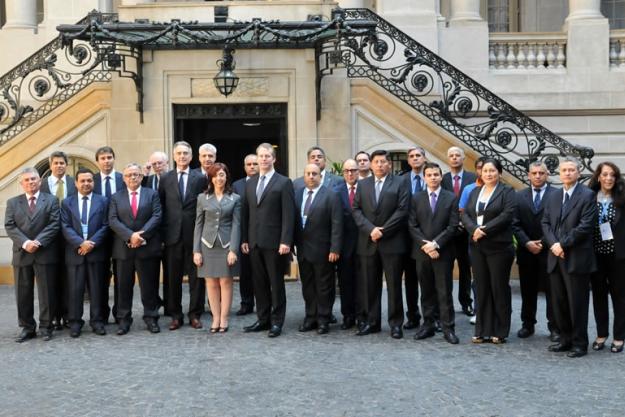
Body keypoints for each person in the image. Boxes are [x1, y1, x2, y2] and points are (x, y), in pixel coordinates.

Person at [542, 157, 597, 358]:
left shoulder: (588, 195)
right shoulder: (554, 196)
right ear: (559, 173)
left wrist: (561, 244)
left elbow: (585, 226)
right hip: (555, 258)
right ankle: (564, 339)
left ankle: (580, 343)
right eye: (564, 170)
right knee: (559, 302)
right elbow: (546, 223)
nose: (567, 173)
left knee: (577, 303)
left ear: (578, 172)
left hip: (576, 257)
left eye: (571, 170)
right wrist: (554, 245)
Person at [352, 149, 409, 339]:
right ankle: (372, 322)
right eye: (376, 161)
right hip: (368, 242)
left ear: (389, 164)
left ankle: (395, 324)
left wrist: (382, 231)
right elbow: (356, 210)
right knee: (370, 285)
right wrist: (371, 230)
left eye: (383, 161)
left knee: (393, 285)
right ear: (370, 164)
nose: (379, 165)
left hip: (392, 242)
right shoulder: (363, 184)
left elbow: (402, 210)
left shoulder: (400, 183)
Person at [241, 142, 295, 338]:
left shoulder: (283, 182)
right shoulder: (250, 183)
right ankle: (263, 319)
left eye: (267, 156)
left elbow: (289, 215)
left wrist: (286, 241)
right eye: (260, 156)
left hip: (275, 243)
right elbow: (246, 213)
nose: (263, 160)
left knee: (276, 283)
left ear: (274, 159)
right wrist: (245, 238)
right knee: (259, 284)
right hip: (254, 242)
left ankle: (277, 321)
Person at [461, 158, 516, 344]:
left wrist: (483, 230)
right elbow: (465, 214)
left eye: (492, 171)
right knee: (482, 287)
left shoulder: (507, 191)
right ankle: (482, 329)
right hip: (477, 247)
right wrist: (473, 230)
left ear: (499, 173)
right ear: (480, 173)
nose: (489, 174)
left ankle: (500, 330)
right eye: (485, 171)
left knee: (498, 288)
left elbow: (507, 215)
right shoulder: (475, 191)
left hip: (499, 247)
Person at [5, 167, 61, 342]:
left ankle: (46, 326)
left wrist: (38, 241)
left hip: (44, 252)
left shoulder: (51, 200)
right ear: (21, 183)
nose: (31, 182)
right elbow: (10, 225)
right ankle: (27, 327)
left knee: (47, 292)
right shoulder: (13, 202)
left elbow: (54, 223)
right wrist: (26, 242)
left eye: (34, 179)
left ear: (39, 181)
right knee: (23, 293)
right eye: (27, 180)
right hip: (22, 253)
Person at [409, 162, 460, 344]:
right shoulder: (416, 198)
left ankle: (448, 328)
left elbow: (453, 226)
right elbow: (412, 225)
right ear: (424, 177)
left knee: (444, 291)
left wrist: (436, 244)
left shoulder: (451, 198)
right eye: (429, 175)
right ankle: (428, 325)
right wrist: (427, 246)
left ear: (441, 176)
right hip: (422, 253)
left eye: (436, 174)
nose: (433, 178)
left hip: (443, 253)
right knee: (426, 291)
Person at [109, 163, 162, 335]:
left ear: (141, 177)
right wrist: (130, 236)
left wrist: (140, 236)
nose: (133, 177)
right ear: (123, 178)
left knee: (149, 286)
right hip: (124, 250)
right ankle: (124, 320)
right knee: (123, 287)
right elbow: (113, 220)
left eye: (136, 175)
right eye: (129, 175)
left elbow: (157, 216)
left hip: (146, 248)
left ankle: (151, 317)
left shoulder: (152, 194)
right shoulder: (116, 197)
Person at [159, 141, 207, 330]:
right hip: (172, 236)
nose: (182, 156)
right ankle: (176, 315)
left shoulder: (200, 178)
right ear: (173, 155)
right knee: (173, 278)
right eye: (179, 153)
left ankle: (195, 314)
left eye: (186, 153)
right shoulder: (165, 178)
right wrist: (162, 236)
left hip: (194, 236)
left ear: (191, 156)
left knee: (197, 279)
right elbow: (160, 207)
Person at [511, 161, 559, 341]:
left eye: (541, 173)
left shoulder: (557, 195)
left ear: (547, 175)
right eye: (534, 173)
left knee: (552, 291)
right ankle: (527, 324)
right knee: (527, 290)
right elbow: (514, 224)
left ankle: (554, 327)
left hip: (549, 250)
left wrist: (543, 242)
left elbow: (557, 223)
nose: (538, 176)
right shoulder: (518, 196)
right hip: (526, 251)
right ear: (529, 175)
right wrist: (527, 243)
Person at [60, 168, 110, 337]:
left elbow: (106, 225)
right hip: (75, 253)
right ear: (76, 183)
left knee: (97, 289)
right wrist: (80, 243)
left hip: (96, 252)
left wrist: (91, 243)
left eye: (89, 180)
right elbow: (65, 226)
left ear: (93, 182)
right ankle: (75, 322)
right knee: (75, 290)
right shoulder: (67, 203)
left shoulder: (103, 201)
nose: (86, 183)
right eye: (82, 181)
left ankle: (97, 321)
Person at [295, 164, 343, 334]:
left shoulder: (331, 196)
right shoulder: (298, 194)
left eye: (314, 174)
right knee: (307, 287)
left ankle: (323, 319)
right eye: (308, 173)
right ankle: (310, 317)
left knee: (324, 287)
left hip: (324, 251)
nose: (311, 176)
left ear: (320, 176)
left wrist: (335, 248)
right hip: (303, 250)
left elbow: (337, 224)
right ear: (304, 175)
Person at [193, 162, 241, 333]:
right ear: (211, 178)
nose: (219, 178)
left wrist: (233, 250)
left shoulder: (235, 198)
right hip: (207, 245)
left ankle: (224, 318)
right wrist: (196, 250)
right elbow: (198, 225)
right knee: (211, 282)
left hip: (226, 245)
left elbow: (237, 226)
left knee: (226, 282)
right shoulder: (202, 198)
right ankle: (215, 317)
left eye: (222, 174)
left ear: (226, 176)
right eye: (215, 175)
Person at [588, 162, 625, 353]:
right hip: (595, 256)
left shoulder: (622, 198)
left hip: (618, 257)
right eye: (605, 174)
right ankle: (601, 334)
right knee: (599, 297)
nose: (608, 178)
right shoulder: (589, 197)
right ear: (598, 177)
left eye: (612, 175)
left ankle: (619, 337)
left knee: (619, 298)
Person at [40, 151, 77, 330]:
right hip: (49, 240)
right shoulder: (42, 185)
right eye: (56, 163)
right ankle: (53, 316)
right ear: (50, 165)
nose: (59, 166)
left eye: (62, 163)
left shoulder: (73, 183)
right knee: (50, 279)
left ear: (66, 164)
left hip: (69, 238)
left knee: (69, 278)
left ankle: (68, 315)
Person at [442, 146, 477, 317]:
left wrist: (465, 223)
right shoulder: (442, 179)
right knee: (446, 269)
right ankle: (447, 305)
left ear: (463, 158)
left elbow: (475, 202)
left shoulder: (473, 178)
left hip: (467, 233)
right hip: (449, 233)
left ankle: (466, 302)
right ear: (448, 159)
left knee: (465, 269)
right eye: (451, 155)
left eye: (457, 155)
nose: (454, 158)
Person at [92, 146, 126, 324]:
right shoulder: (92, 180)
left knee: (121, 276)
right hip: (98, 235)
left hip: (120, 235)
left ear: (114, 159)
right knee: (100, 277)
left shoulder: (123, 178)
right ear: (97, 161)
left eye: (109, 157)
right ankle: (101, 314)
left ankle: (120, 313)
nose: (106, 161)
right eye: (103, 158)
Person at [400, 146, 426, 330]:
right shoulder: (401, 180)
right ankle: (413, 316)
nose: (415, 158)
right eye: (412, 156)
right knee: (410, 280)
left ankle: (433, 317)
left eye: (418, 155)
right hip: (407, 238)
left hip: (430, 238)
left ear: (424, 158)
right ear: (408, 161)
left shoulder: (434, 176)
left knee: (429, 280)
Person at [141, 150, 170, 314]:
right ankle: (155, 302)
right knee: (150, 273)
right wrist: (145, 174)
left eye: (160, 163)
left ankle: (169, 304)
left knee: (169, 272)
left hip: (168, 231)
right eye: (154, 164)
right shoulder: (148, 180)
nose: (157, 166)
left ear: (167, 163)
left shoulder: (172, 178)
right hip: (150, 233)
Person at [334, 158, 361, 329]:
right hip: (343, 246)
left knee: (363, 283)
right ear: (343, 173)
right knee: (345, 283)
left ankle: (363, 315)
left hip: (363, 244)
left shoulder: (366, 189)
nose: (350, 174)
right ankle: (348, 316)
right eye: (347, 171)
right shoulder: (336, 192)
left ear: (358, 171)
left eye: (353, 170)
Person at [232, 154, 258, 316]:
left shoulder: (266, 183)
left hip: (262, 235)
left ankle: (264, 303)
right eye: (249, 164)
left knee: (263, 273)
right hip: (244, 236)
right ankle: (246, 303)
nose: (252, 167)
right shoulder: (237, 185)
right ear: (244, 167)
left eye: (255, 163)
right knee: (245, 272)